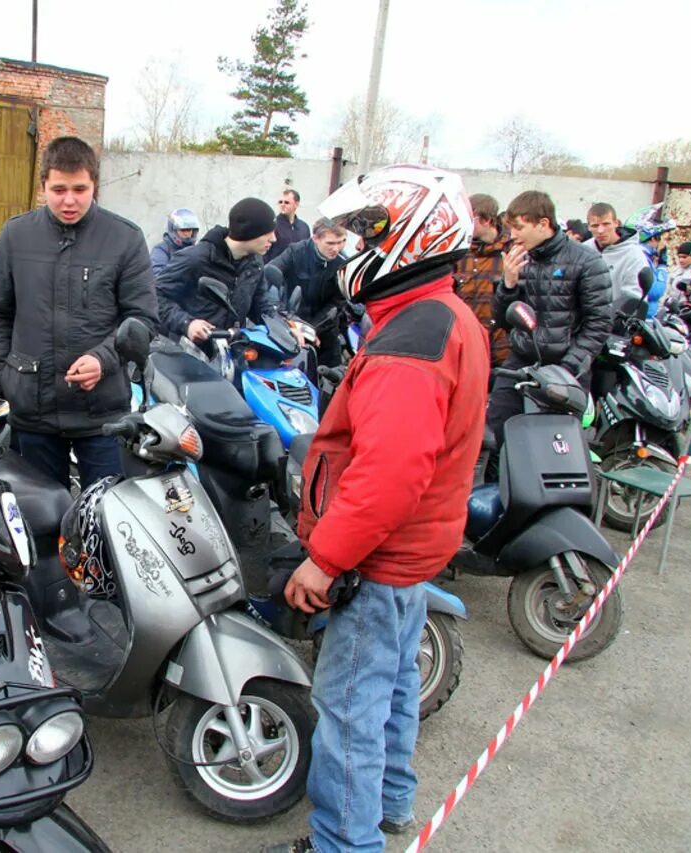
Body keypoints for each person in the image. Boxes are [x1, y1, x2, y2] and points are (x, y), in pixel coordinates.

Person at [262, 165, 490, 853]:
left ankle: (343, 842)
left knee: (350, 709)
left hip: (378, 555)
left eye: (369, 231)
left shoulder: (409, 341)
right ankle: (388, 803)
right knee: (390, 691)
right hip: (413, 548)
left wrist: (325, 557)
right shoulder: (442, 313)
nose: (356, 245)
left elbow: (390, 471)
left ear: (413, 236)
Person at [0, 136, 157, 490]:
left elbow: (142, 319)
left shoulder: (124, 238)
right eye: (59, 189)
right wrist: (4, 375)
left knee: (107, 516)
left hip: (102, 415)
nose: (69, 200)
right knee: (40, 520)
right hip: (32, 410)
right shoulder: (16, 236)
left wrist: (104, 360)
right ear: (43, 185)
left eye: (80, 188)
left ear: (94, 184)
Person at [486, 191, 613, 477]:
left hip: (564, 369)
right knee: (498, 436)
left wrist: (568, 368)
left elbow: (599, 323)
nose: (513, 236)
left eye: (519, 227)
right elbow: (504, 318)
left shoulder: (587, 262)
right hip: (521, 363)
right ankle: (496, 502)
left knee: (551, 448)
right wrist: (507, 284)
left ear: (543, 224)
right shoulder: (519, 260)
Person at [156, 197, 280, 344]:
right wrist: (187, 324)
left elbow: (261, 306)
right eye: (268, 232)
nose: (274, 239)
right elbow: (156, 296)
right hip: (191, 355)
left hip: (233, 350)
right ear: (250, 232)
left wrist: (285, 328)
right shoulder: (195, 259)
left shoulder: (255, 263)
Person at [269, 216, 349, 367]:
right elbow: (270, 275)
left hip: (325, 329)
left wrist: (312, 330)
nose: (336, 248)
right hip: (292, 325)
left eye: (342, 242)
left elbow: (337, 303)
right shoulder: (295, 252)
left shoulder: (344, 263)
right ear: (315, 239)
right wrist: (283, 317)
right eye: (330, 243)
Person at [453, 193, 512, 366]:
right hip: (467, 344)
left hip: (501, 349)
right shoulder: (460, 253)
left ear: (486, 220)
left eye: (471, 219)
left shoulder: (512, 252)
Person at [586, 202, 651, 310]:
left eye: (606, 224)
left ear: (616, 223)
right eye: (595, 225)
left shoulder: (633, 255)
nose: (600, 230)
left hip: (615, 321)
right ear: (588, 227)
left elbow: (634, 298)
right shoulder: (583, 250)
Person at [149, 207, 201, 276]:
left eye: (189, 230)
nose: (186, 233)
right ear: (174, 230)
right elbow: (159, 276)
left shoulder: (197, 250)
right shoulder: (161, 250)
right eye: (182, 230)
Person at [267, 188, 310, 262]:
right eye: (280, 202)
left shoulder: (304, 227)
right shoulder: (271, 225)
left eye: (287, 202)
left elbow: (307, 251)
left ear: (296, 204)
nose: (282, 205)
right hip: (276, 269)